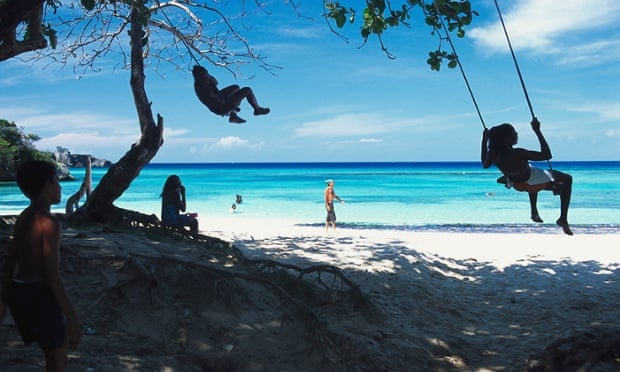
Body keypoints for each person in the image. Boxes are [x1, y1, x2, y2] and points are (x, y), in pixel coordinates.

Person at [0, 160, 81, 371]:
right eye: (56, 181)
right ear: (46, 186)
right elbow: (52, 275)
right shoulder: (49, 223)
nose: (60, 187)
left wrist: (4, 295)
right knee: (57, 356)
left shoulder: (25, 216)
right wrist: (72, 318)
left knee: (53, 351)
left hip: (19, 291)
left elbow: (10, 259)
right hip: (39, 295)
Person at [481, 117, 573, 235]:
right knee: (567, 179)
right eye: (513, 133)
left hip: (518, 184)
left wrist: (484, 141)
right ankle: (563, 218)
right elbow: (547, 155)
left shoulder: (494, 154)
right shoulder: (518, 153)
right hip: (532, 182)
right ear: (506, 139)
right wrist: (537, 131)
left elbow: (485, 164)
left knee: (530, 171)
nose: (516, 134)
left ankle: (534, 210)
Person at [192, 65, 270, 124]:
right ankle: (257, 109)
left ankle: (233, 114)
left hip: (219, 99)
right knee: (247, 90)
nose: (207, 76)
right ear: (200, 77)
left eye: (207, 74)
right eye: (205, 75)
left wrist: (209, 78)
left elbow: (216, 82)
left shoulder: (203, 81)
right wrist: (233, 108)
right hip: (221, 106)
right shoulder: (203, 89)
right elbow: (217, 102)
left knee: (236, 87)